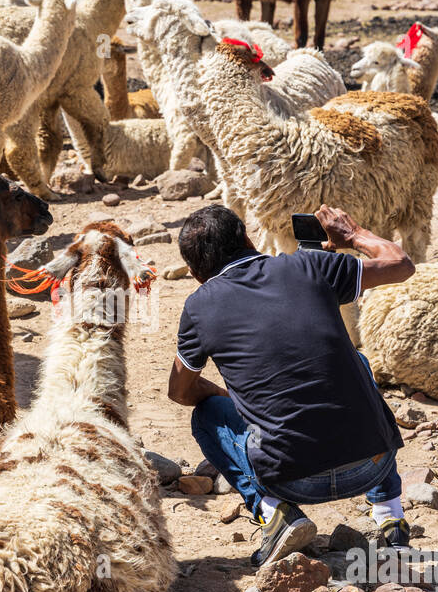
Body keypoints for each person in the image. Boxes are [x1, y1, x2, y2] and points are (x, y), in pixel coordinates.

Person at [167, 204, 416, 567]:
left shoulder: (198, 307)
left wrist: (231, 400)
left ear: (194, 273)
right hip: (370, 466)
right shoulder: (309, 265)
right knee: (355, 362)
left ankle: (274, 513)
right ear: (249, 239)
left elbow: (180, 391)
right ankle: (390, 515)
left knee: (207, 415)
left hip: (294, 482)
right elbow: (400, 264)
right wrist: (353, 235)